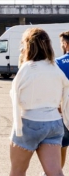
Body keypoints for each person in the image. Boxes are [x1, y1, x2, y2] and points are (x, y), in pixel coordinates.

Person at [9, 28, 69, 176]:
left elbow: (15, 95)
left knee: (18, 170)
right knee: (55, 171)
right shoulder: (55, 68)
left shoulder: (27, 68)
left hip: (29, 121)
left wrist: (18, 126)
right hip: (55, 122)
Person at [57, 31, 69, 168]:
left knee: (62, 145)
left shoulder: (58, 63)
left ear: (65, 45)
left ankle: (57, 172)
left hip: (64, 109)